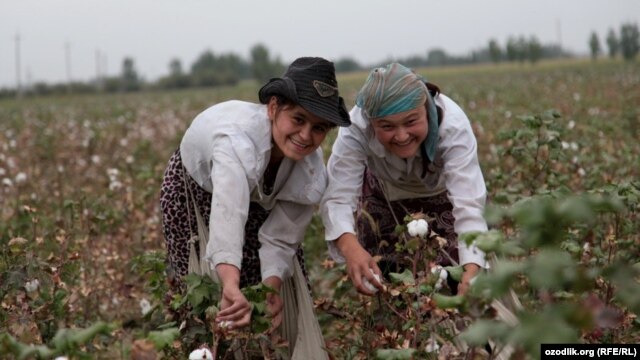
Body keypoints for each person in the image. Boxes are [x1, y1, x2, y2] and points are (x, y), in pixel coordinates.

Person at [160, 57, 351, 330]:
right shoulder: (236, 143)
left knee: (270, 287)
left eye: (319, 128)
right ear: (273, 108)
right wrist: (229, 283)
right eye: (298, 119)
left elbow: (283, 236)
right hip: (194, 187)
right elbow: (229, 215)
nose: (306, 136)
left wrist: (270, 289)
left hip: (259, 192)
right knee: (206, 289)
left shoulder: (310, 168)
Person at [320, 62, 487, 296]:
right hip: (384, 196)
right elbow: (338, 195)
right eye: (386, 126)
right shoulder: (356, 125)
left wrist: (472, 270)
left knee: (452, 278)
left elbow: (469, 204)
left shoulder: (452, 125)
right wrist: (351, 248)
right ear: (371, 121)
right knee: (388, 282)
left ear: (425, 109)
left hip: (441, 197)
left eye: (411, 122)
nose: (401, 136)